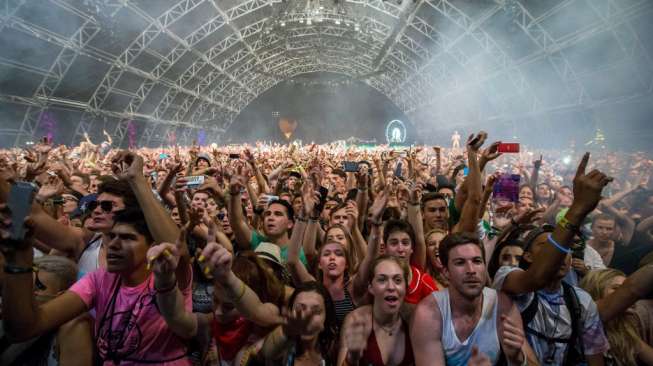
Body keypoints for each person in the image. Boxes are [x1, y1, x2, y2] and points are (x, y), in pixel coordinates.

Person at [2, 151, 190, 365]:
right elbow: (24, 328)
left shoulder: (163, 266)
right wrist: (17, 261)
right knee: (76, 323)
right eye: (94, 206)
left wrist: (136, 179)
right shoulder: (93, 265)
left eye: (108, 206)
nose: (97, 210)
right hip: (92, 350)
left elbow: (177, 249)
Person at [493, 153, 613, 365]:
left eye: (564, 249)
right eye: (546, 246)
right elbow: (538, 277)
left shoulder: (581, 301)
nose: (560, 254)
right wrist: (578, 208)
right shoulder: (508, 277)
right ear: (528, 256)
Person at [411, 232, 536, 365]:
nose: (471, 270)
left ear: (484, 266)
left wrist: (518, 359)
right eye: (460, 263)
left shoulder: (501, 305)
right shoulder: (428, 313)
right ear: (446, 271)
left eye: (477, 261)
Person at [0, 255, 93, 366]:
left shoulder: (74, 328)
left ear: (61, 297)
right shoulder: (10, 312)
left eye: (36, 289)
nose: (24, 296)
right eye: (24, 287)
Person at [338, 256, 414, 366]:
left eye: (398, 280)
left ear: (406, 287)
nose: (391, 287)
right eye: (382, 280)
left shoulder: (414, 318)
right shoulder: (357, 320)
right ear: (371, 288)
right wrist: (351, 359)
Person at [580, 269, 653, 365]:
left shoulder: (625, 329)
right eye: (616, 288)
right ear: (596, 291)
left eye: (626, 290)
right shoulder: (585, 327)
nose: (627, 295)